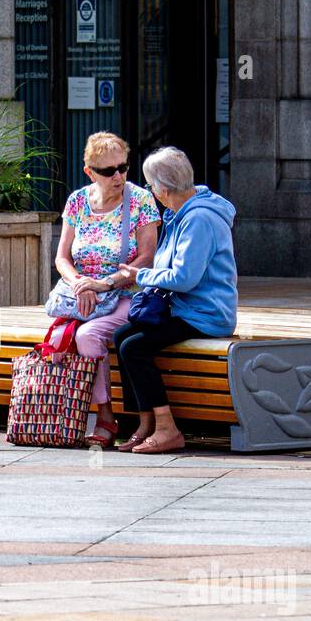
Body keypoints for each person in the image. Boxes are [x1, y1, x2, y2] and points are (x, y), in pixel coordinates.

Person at [113, 146, 238, 454]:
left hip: (205, 314)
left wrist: (140, 276)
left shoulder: (198, 220)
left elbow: (184, 278)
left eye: (150, 185)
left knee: (135, 346)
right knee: (121, 336)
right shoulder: (179, 214)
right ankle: (145, 423)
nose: (150, 191)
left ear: (164, 190)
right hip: (184, 308)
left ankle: (168, 428)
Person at [52, 131, 159, 447]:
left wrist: (105, 283)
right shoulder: (78, 201)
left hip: (128, 293)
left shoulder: (140, 200)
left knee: (88, 335)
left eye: (124, 167)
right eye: (108, 171)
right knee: (64, 335)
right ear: (89, 172)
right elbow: (62, 257)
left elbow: (147, 258)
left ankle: (105, 417)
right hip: (84, 295)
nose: (119, 176)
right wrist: (80, 284)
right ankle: (75, 413)